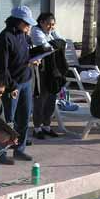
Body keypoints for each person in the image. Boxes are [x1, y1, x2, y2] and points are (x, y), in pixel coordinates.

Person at [0, 6, 37, 164]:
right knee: (8, 120)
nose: (28, 26)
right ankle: (0, 153)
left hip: (26, 81)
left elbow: (29, 53)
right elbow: (0, 67)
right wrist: (10, 87)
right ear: (17, 21)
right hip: (12, 85)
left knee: (24, 118)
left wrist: (36, 57)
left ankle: (19, 149)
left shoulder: (25, 36)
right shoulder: (5, 38)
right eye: (26, 23)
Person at [30, 12, 66, 140]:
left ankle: (47, 126)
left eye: (53, 24)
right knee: (41, 98)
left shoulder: (51, 32)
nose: (51, 27)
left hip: (53, 70)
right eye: (48, 24)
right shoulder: (36, 31)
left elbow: (63, 42)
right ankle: (37, 128)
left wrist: (56, 43)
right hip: (41, 69)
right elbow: (45, 47)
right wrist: (56, 44)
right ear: (41, 23)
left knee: (51, 97)